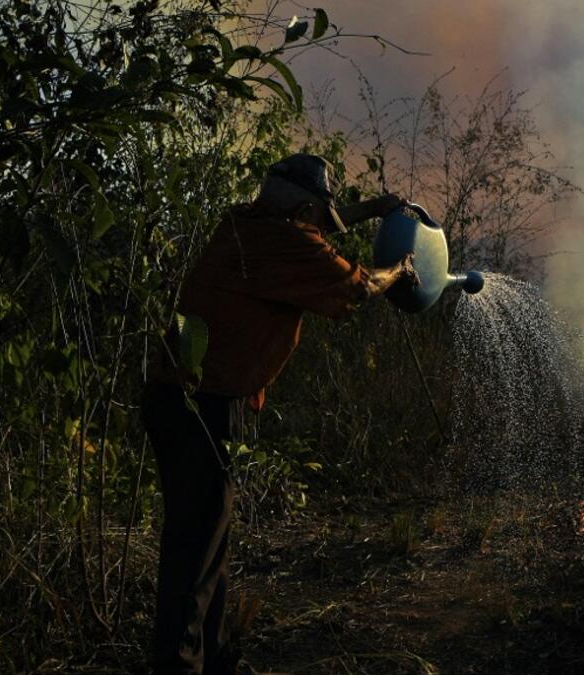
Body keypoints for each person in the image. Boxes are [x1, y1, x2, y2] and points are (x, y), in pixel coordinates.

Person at [142, 154, 418, 674]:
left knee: (208, 538)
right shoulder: (289, 243)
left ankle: (216, 657)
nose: (322, 227)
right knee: (194, 547)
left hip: (178, 400)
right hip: (201, 405)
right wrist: (399, 271)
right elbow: (356, 287)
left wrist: (373, 209)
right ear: (306, 209)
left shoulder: (244, 223)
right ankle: (178, 665)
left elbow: (312, 226)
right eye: (320, 215)